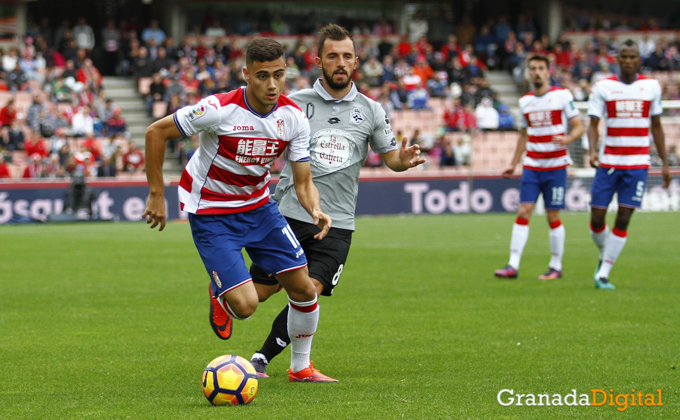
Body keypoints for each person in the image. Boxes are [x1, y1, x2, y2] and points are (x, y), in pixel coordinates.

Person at [141, 38, 337, 383]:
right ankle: (220, 292)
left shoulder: (293, 119)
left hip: (260, 209)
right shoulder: (218, 109)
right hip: (212, 212)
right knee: (245, 307)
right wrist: (157, 193)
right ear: (246, 74)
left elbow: (303, 182)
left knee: (305, 290)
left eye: (279, 75)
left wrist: (315, 208)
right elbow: (156, 132)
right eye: (262, 76)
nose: (272, 84)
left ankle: (300, 368)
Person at [247, 24, 425, 378]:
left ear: (356, 61)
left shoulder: (371, 110)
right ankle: (223, 284)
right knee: (257, 297)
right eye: (332, 56)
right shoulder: (293, 104)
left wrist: (401, 161)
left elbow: (390, 157)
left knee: (309, 291)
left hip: (338, 223)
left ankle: (276, 361)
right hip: (289, 214)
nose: (340, 62)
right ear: (318, 61)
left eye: (346, 56)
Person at [586, 40, 671, 289]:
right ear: (618, 59)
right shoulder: (603, 87)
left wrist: (665, 164)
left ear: (639, 60)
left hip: (637, 164)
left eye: (632, 57)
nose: (628, 61)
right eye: (623, 56)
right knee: (597, 218)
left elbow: (656, 126)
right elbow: (593, 123)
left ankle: (603, 273)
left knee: (623, 218)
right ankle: (604, 253)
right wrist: (592, 151)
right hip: (609, 162)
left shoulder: (651, 87)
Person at [495, 54, 584, 280]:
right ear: (529, 72)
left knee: (552, 215)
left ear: (548, 71)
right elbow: (523, 135)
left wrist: (567, 139)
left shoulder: (562, 96)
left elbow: (578, 127)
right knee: (524, 211)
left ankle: (556, 266)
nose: (536, 72)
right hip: (532, 166)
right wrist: (513, 164)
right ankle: (512, 265)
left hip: (556, 166)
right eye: (532, 68)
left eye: (540, 68)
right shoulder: (525, 102)